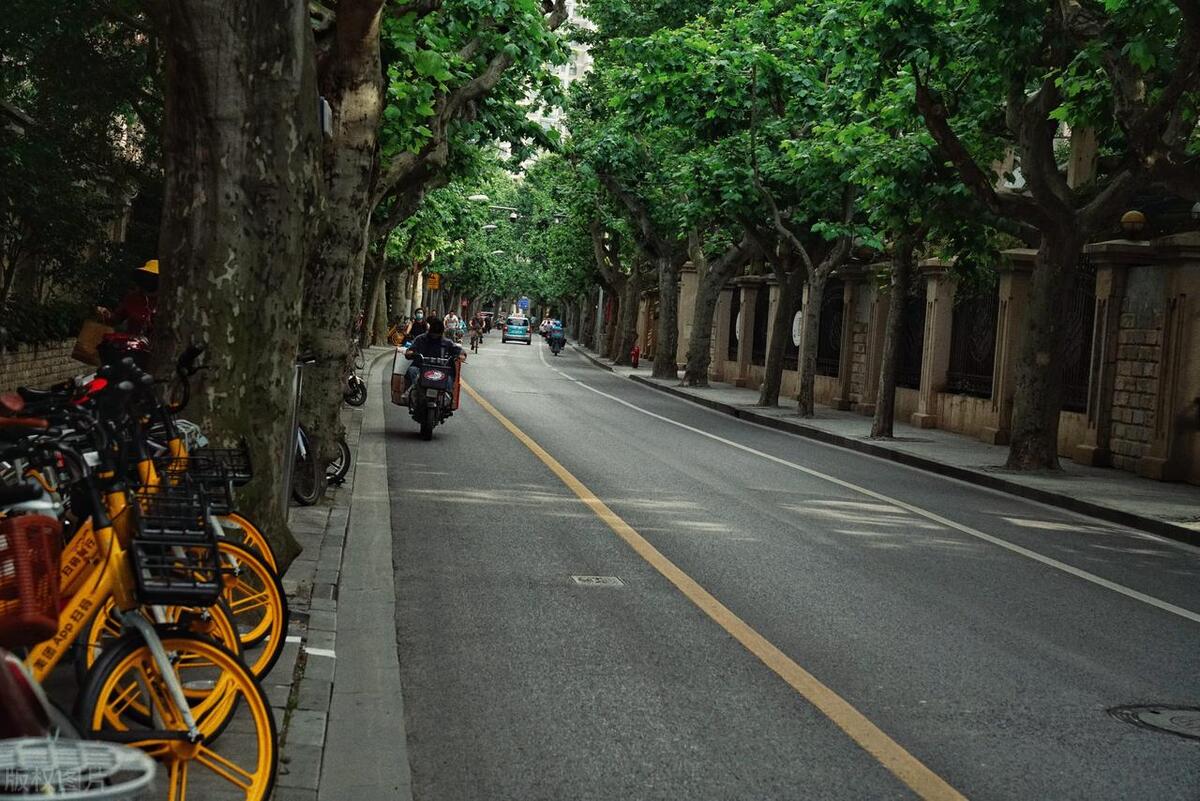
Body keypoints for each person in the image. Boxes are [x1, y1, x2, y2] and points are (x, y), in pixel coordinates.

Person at [394, 318, 465, 404]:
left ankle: (447, 400)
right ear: (430, 331)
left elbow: (458, 351)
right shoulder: (420, 339)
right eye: (433, 333)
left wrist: (461, 355)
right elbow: (411, 349)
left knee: (449, 379)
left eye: (437, 334)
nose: (435, 336)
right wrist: (410, 352)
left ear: (442, 333)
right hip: (421, 369)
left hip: (442, 372)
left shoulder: (447, 343)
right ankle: (412, 394)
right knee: (412, 371)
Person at [96, 259, 159, 335]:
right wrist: (106, 314)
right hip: (132, 343)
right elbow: (115, 319)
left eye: (152, 277)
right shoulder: (133, 298)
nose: (148, 279)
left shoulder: (168, 302)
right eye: (146, 276)